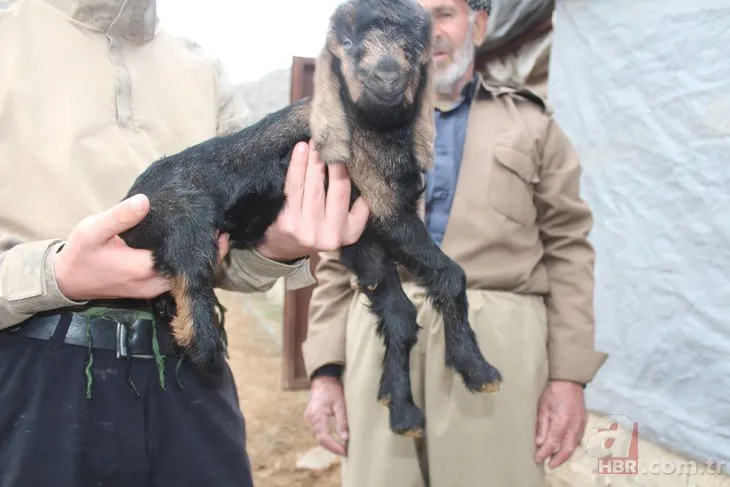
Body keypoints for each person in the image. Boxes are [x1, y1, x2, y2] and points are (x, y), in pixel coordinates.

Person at [0, 1, 368, 486]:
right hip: (33, 378)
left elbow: (231, 256)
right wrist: (53, 275)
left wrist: (277, 244)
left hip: (189, 370)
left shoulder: (201, 67)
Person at [301, 0, 608, 486]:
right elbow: (341, 258)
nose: (428, 30)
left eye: (444, 13)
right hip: (381, 338)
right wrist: (324, 372)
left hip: (499, 345)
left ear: (479, 26)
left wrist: (568, 378)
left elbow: (569, 250)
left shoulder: (533, 126)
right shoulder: (361, 129)